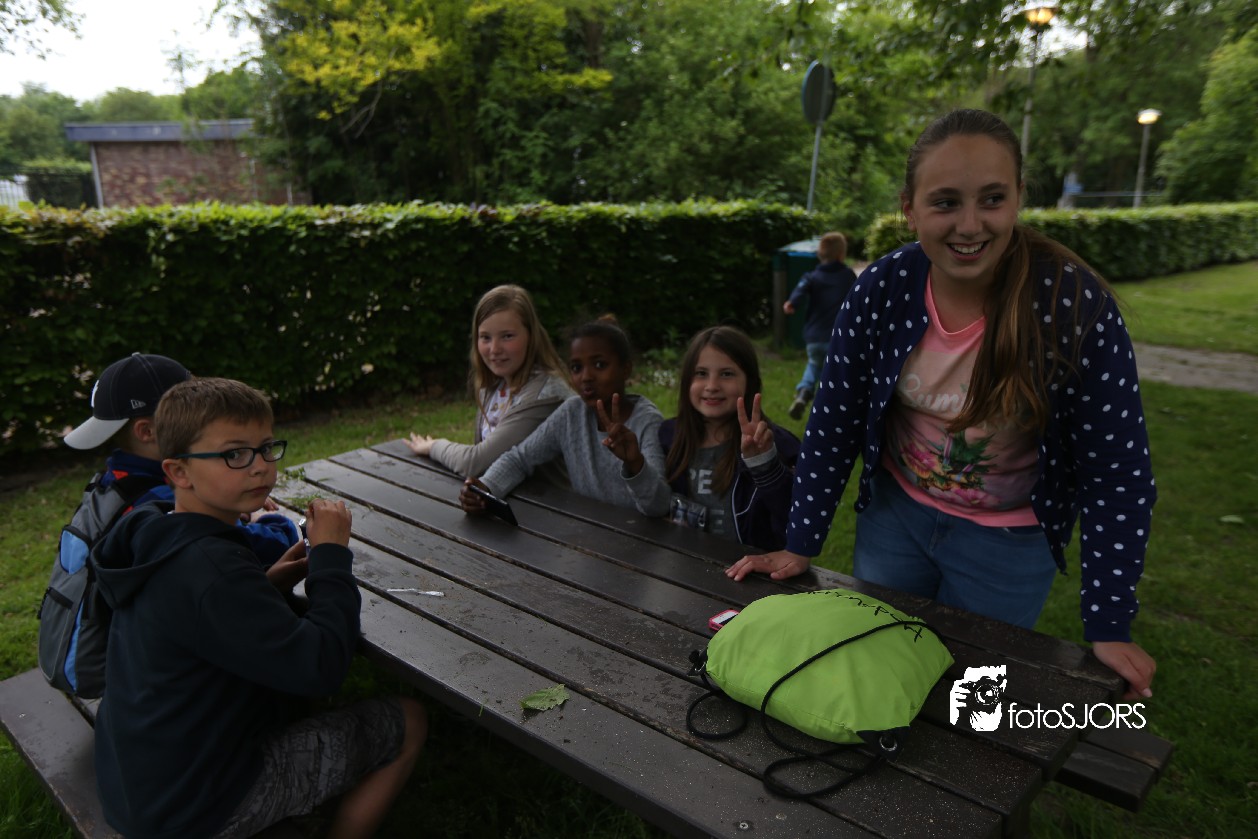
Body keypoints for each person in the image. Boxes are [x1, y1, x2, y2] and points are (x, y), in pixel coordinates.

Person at [728, 109, 1157, 701]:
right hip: (895, 521)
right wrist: (801, 541)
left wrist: (1109, 622)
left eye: (992, 199)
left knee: (972, 700)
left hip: (1009, 545)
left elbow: (1117, 472)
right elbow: (834, 420)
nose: (970, 224)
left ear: (1019, 196)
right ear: (909, 208)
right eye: (946, 202)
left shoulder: (1072, 304)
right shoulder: (881, 288)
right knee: (873, 671)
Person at [92, 377, 426, 838]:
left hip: (138, 787)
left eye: (266, 448)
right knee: (409, 720)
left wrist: (265, 583)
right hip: (197, 808)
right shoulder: (214, 570)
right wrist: (332, 558)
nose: (260, 467)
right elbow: (321, 666)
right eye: (235, 454)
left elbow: (198, 614)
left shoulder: (156, 535)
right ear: (179, 472)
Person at [63, 352, 299, 564]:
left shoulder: (113, 481)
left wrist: (228, 504)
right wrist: (273, 522)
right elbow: (258, 547)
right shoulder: (159, 500)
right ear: (147, 431)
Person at [460, 317, 670, 517]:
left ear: (626, 369)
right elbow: (520, 458)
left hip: (638, 538)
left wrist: (635, 463)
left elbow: (659, 506)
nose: (586, 377)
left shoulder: (646, 421)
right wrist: (486, 488)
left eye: (599, 365)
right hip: (587, 531)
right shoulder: (571, 413)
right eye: (577, 368)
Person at [406, 285, 573, 484]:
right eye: (485, 337)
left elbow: (475, 463)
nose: (494, 349)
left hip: (550, 502)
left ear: (531, 336)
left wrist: (434, 446)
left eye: (507, 336)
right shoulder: (495, 385)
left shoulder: (545, 394)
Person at [657, 326, 800, 548]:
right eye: (701, 373)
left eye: (726, 374)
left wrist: (765, 465)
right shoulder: (668, 436)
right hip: (682, 562)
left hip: (750, 566)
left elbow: (794, 527)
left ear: (750, 382)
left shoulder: (778, 446)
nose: (712, 386)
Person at [784, 232, 858, 420]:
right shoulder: (848, 276)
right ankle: (834, 406)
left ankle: (804, 392)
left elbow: (800, 290)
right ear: (841, 255)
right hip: (839, 338)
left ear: (820, 255)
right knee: (838, 373)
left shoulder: (812, 276)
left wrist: (791, 303)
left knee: (814, 364)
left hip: (815, 337)